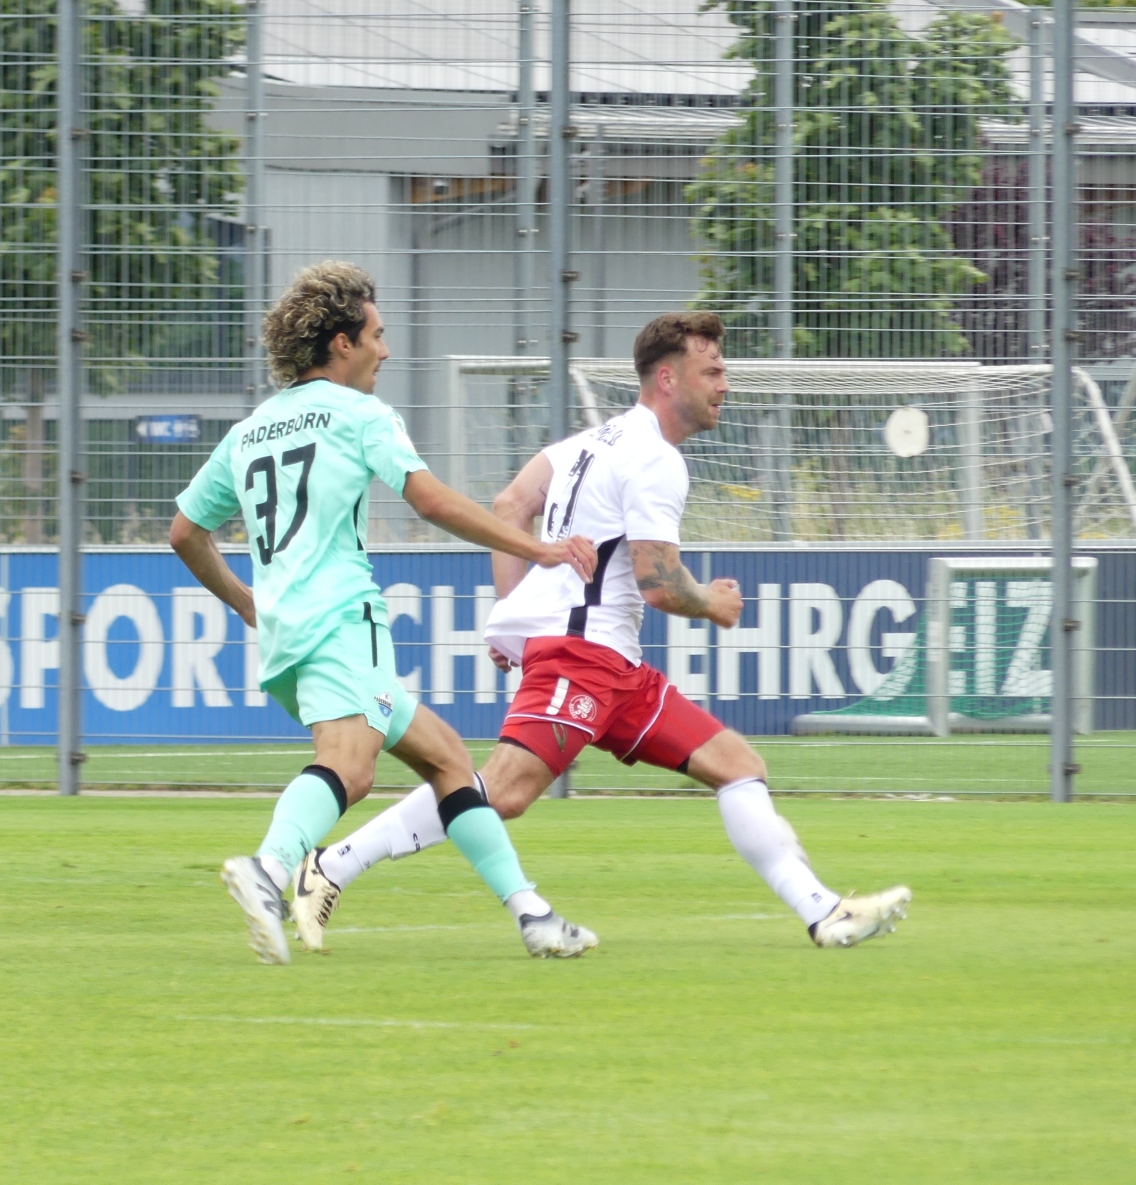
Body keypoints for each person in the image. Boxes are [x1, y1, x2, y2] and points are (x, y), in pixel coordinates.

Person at [297, 311, 912, 950]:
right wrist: (714, 604)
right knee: (502, 790)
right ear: (668, 378)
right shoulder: (656, 460)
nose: (724, 384)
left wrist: (520, 613)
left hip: (614, 666)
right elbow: (659, 583)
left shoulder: (588, 443)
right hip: (582, 659)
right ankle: (332, 865)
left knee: (736, 765)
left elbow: (510, 505)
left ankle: (823, 911)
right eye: (712, 371)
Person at [169, 260, 601, 966]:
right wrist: (537, 547)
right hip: (343, 624)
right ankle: (269, 869)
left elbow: (185, 531)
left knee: (448, 760)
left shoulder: (251, 430)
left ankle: (533, 916)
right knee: (352, 767)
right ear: (341, 343)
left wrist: (247, 602)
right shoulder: (360, 414)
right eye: (376, 335)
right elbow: (430, 500)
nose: (386, 350)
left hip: (286, 636)